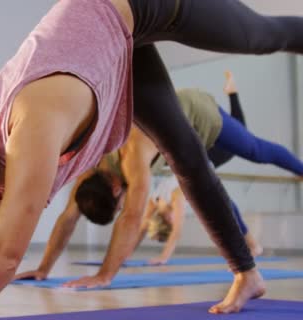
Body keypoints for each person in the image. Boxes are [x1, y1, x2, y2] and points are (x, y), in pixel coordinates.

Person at [0, 1, 303, 318]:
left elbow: (2, 256)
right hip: (106, 41)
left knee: (260, 36)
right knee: (183, 152)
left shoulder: (34, 131)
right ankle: (249, 274)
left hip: (139, 5)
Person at [16, 71, 302, 286]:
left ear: (116, 188)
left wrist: (105, 275)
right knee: (212, 191)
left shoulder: (132, 157)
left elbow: (132, 216)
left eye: (117, 205)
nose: (121, 206)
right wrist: (44, 269)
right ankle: (248, 244)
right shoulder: (91, 174)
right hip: (181, 144)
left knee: (254, 149)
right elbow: (68, 217)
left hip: (196, 114)